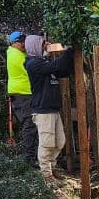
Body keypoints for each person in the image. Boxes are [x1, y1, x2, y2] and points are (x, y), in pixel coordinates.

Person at [24, 35, 74, 181]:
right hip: (42, 110)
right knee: (47, 144)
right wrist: (68, 49)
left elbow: (62, 71)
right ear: (35, 47)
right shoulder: (33, 64)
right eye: (43, 44)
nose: (46, 46)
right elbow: (56, 66)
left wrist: (68, 56)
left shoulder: (44, 63)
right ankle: (46, 175)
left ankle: (52, 167)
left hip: (52, 109)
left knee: (60, 142)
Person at [5, 30, 38, 166]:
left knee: (30, 124)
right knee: (29, 125)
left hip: (21, 93)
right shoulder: (16, 56)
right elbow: (32, 68)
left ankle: (31, 156)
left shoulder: (15, 52)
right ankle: (29, 159)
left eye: (24, 41)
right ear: (14, 43)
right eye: (21, 42)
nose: (24, 44)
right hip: (22, 93)